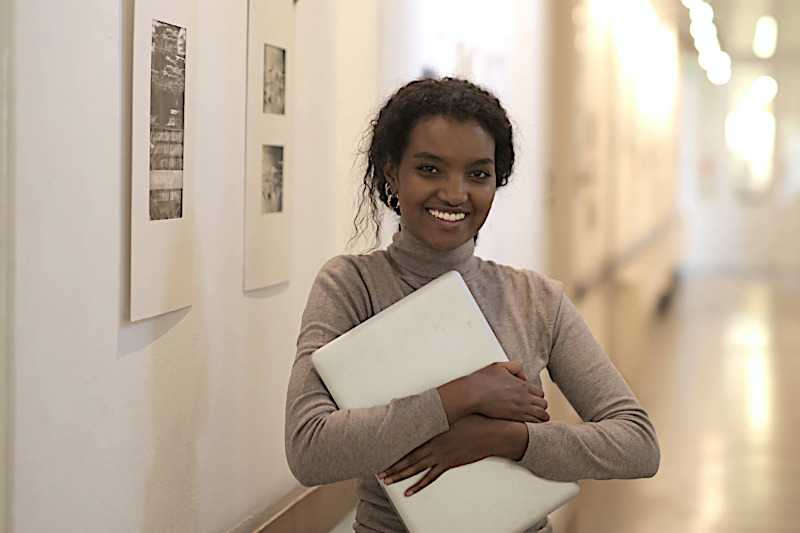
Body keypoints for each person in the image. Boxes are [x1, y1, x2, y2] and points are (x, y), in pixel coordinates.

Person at [285, 77, 660, 533]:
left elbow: (638, 443)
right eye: (429, 169)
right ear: (391, 171)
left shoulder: (536, 299)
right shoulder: (352, 285)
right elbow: (309, 449)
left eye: (478, 174)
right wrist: (462, 396)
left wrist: (506, 439)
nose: (455, 193)